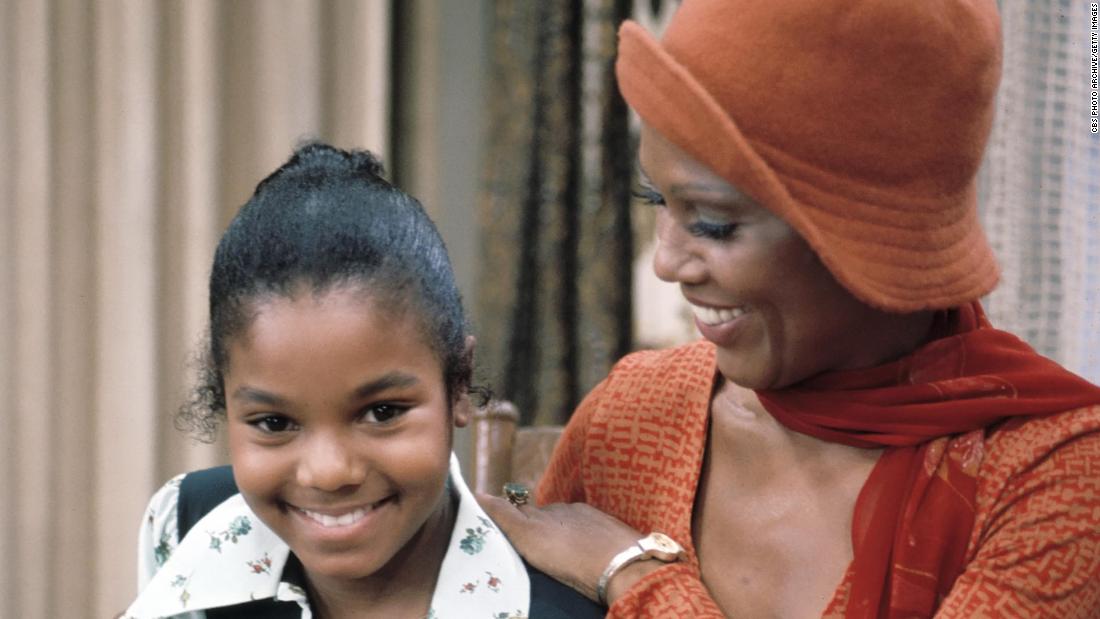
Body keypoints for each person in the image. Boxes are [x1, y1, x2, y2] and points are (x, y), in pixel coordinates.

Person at [480, 1, 1100, 617]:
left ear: (876, 234)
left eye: (714, 224)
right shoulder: (632, 420)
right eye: (655, 200)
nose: (667, 263)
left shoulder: (1055, 475)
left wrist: (634, 576)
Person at [123, 143, 603, 619]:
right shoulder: (189, 526)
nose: (329, 473)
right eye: (274, 422)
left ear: (458, 383)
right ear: (224, 400)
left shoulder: (552, 608)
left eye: (382, 413)